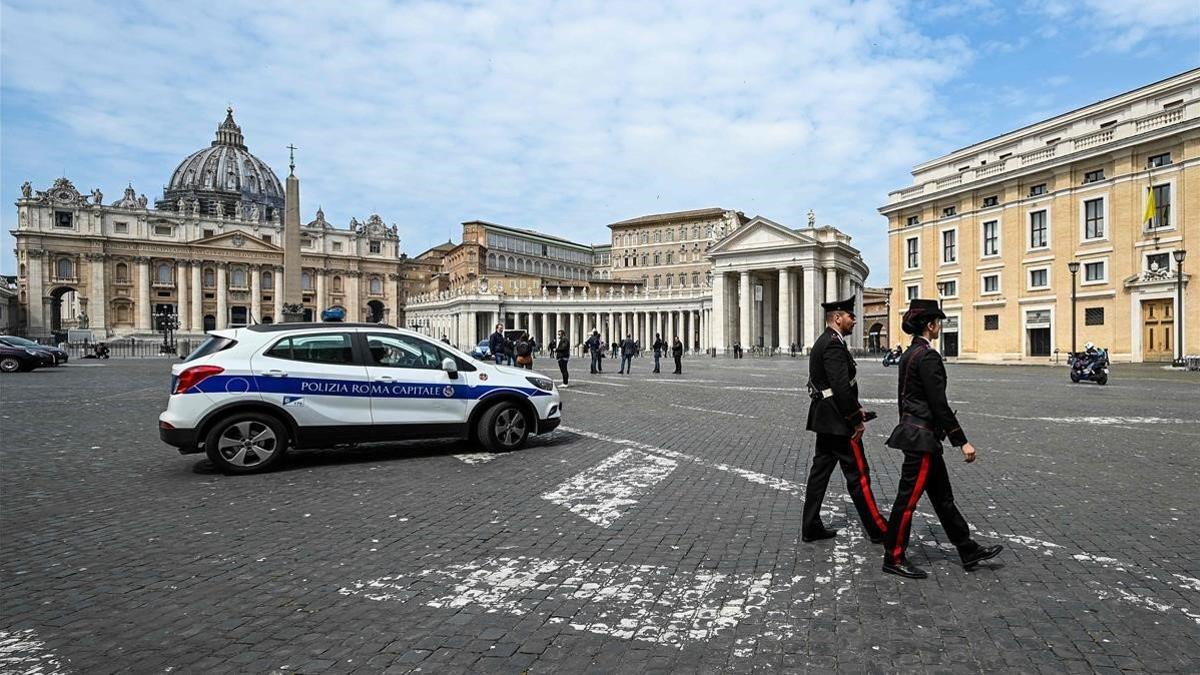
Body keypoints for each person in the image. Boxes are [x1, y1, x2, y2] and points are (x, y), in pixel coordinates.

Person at [880, 298, 1003, 579]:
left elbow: (904, 398)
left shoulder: (909, 354)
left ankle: (967, 549)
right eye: (938, 321)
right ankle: (894, 556)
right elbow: (939, 405)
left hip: (918, 435)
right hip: (922, 439)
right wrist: (962, 441)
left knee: (943, 498)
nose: (940, 326)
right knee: (906, 500)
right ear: (930, 324)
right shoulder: (928, 356)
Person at [801, 295, 889, 546]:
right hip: (839, 423)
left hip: (826, 418)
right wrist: (854, 419)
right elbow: (840, 386)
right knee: (859, 476)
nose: (854, 320)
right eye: (851, 316)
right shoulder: (832, 344)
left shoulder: (825, 341)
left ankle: (810, 526)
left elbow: (834, 385)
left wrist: (857, 409)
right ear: (837, 318)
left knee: (819, 475)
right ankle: (878, 528)